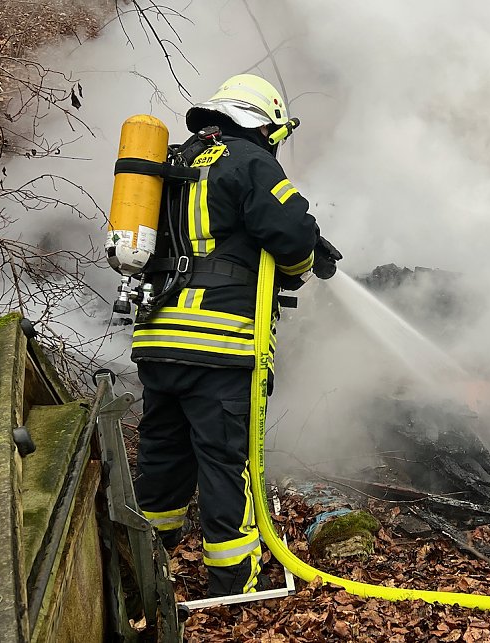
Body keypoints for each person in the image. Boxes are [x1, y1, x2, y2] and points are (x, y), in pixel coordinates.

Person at [129, 74, 339, 597]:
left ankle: (143, 563)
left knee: (163, 454)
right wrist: (310, 257)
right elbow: (290, 235)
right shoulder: (250, 160)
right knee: (225, 461)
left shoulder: (171, 162)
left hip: (157, 340)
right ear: (263, 124)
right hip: (219, 345)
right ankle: (233, 582)